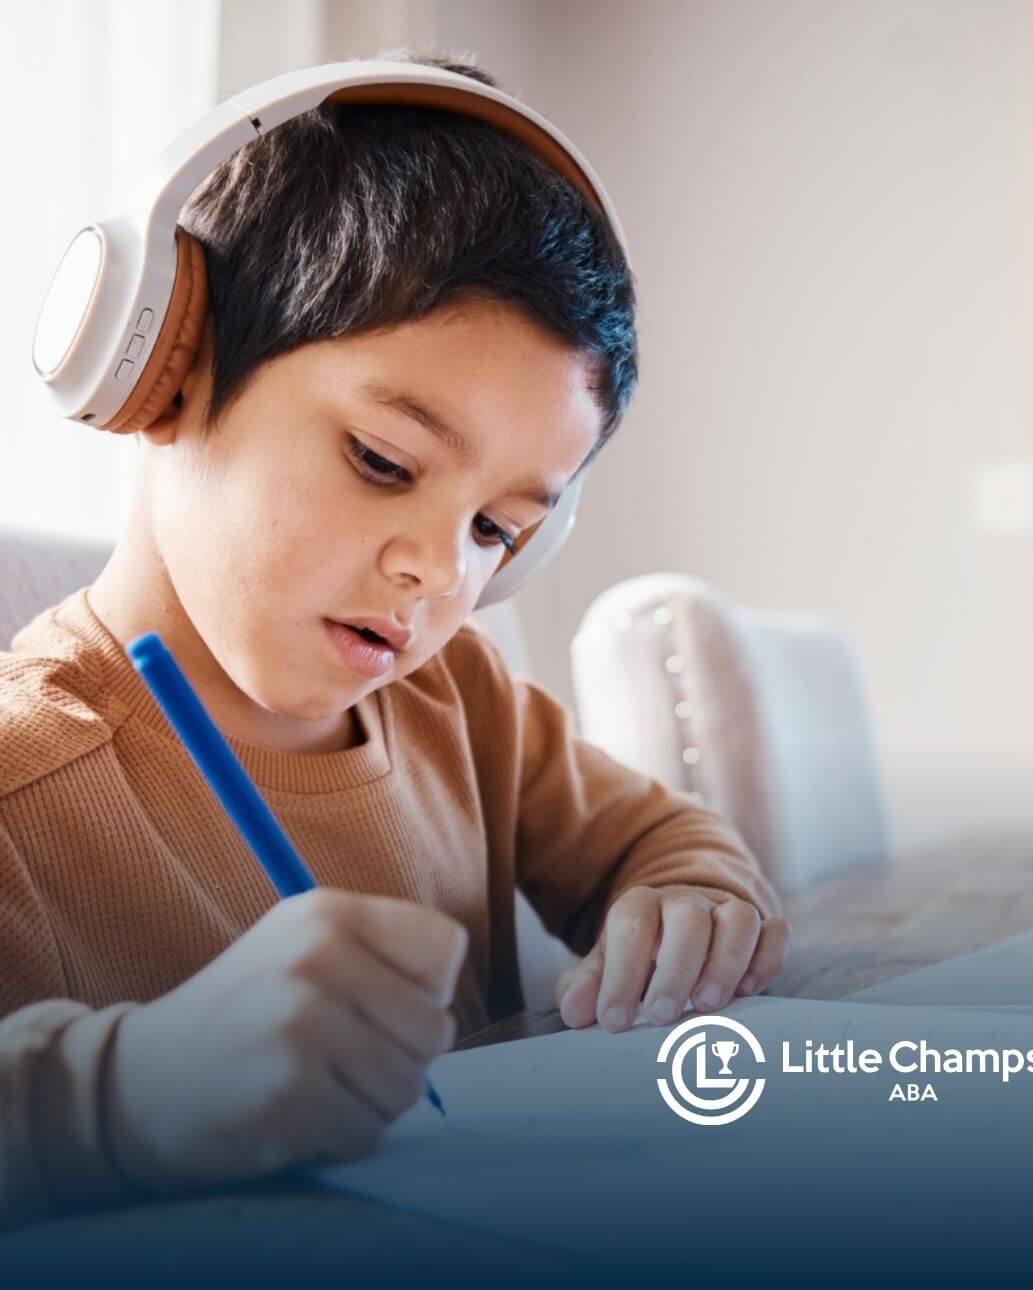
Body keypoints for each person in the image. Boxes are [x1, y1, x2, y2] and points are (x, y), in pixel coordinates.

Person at [0, 52, 785, 1227]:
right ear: (166, 366)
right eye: (383, 462)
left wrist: (689, 895)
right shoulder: (22, 781)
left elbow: (659, 842)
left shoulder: (461, 700)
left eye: (496, 526)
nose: (441, 568)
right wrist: (123, 1098)